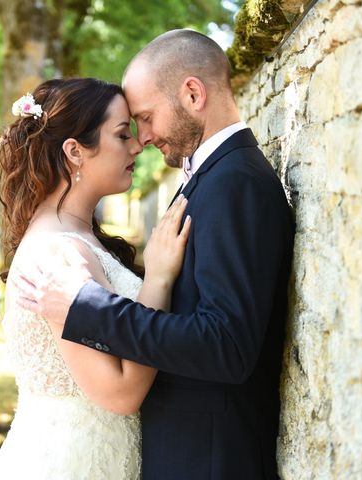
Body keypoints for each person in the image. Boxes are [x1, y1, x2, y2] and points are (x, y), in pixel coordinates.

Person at [15, 30, 295, 479]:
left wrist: (88, 309)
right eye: (129, 128)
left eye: (144, 118)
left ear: (192, 93)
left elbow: (227, 346)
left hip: (209, 459)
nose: (142, 139)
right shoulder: (210, 179)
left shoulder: (234, 183)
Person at [0, 78, 191, 479]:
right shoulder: (58, 254)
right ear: (75, 152)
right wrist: (159, 279)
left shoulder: (77, 237)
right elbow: (120, 393)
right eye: (121, 134)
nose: (137, 145)